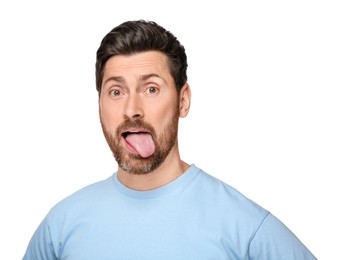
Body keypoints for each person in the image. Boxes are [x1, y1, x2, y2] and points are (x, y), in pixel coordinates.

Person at [23, 20, 317, 260]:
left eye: (151, 89)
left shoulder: (245, 227)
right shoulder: (59, 228)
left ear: (183, 101)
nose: (131, 110)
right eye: (116, 91)